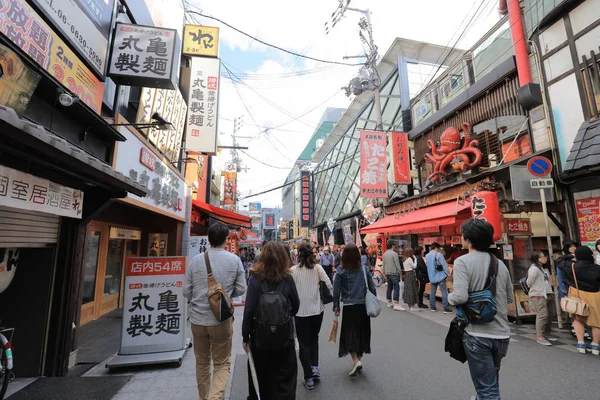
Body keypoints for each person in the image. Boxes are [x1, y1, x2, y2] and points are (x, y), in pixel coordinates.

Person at [448, 218, 513, 400]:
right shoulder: (499, 263)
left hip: (477, 334)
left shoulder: (462, 262)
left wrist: (449, 297)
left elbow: (460, 296)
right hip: (501, 334)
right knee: (490, 384)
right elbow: (508, 298)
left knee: (487, 390)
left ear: (468, 238)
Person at [183, 222, 247, 400]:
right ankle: (214, 397)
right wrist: (224, 296)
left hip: (197, 321)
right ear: (226, 240)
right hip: (221, 320)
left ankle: (205, 397)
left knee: (202, 363)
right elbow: (242, 289)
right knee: (221, 363)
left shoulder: (196, 261)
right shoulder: (234, 260)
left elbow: (186, 291)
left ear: (209, 239)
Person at [242, 242, 300, 399]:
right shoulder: (287, 278)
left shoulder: (255, 279)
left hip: (260, 338)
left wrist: (245, 335)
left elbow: (249, 309)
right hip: (284, 337)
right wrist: (284, 317)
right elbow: (296, 305)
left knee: (261, 376)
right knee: (284, 377)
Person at [291, 243, 333, 390]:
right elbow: (329, 284)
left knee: (303, 343)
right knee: (314, 338)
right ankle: (315, 367)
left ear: (299, 255)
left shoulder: (293, 271)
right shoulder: (317, 268)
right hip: (317, 311)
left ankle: (308, 377)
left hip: (300, 312)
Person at [332, 244, 376, 377]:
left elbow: (336, 290)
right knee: (362, 333)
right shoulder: (364, 269)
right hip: (363, 306)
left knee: (349, 335)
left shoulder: (341, 270)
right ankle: (358, 361)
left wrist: (336, 306)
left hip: (349, 307)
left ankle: (356, 361)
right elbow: (372, 287)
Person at [560, 246, 600, 355]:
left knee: (578, 319)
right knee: (596, 322)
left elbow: (559, 261)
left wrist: (570, 255)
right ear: (590, 255)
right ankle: (596, 346)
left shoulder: (571, 266)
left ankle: (581, 343)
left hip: (577, 294)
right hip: (595, 294)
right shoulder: (597, 268)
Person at [526, 251, 557, 346]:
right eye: (541, 257)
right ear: (536, 259)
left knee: (549, 316)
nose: (544, 258)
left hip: (548, 293)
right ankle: (540, 336)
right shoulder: (534, 269)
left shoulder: (543, 268)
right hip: (538, 295)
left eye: (544, 256)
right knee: (543, 315)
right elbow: (529, 283)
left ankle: (546, 334)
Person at [426, 242, 452, 313]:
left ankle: (433, 307)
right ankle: (445, 308)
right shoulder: (439, 255)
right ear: (436, 248)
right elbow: (444, 265)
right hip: (440, 276)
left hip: (432, 276)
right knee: (444, 291)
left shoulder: (427, 255)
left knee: (432, 292)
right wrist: (448, 274)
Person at [383, 241, 405, 311]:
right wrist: (400, 273)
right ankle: (396, 303)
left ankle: (389, 302)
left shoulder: (384, 254)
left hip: (387, 273)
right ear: (392, 246)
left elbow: (384, 264)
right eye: (395, 246)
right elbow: (397, 264)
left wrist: (384, 273)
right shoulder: (394, 254)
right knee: (396, 288)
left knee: (389, 287)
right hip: (394, 273)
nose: (395, 247)